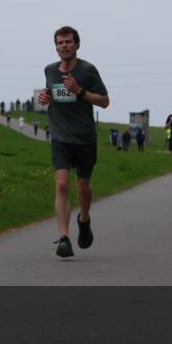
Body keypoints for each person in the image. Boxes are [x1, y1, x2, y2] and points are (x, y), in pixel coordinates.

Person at [37, 26, 110, 258]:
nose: (63, 46)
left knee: (83, 187)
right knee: (61, 184)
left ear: (77, 45)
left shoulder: (88, 70)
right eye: (59, 42)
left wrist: (80, 91)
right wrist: (45, 97)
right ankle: (64, 237)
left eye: (68, 42)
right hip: (60, 136)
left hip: (84, 137)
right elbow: (52, 93)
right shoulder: (50, 70)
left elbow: (105, 101)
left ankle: (84, 219)